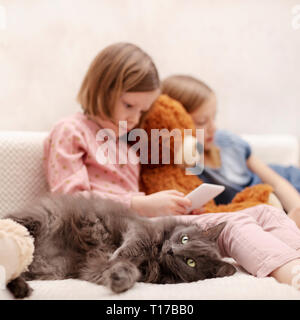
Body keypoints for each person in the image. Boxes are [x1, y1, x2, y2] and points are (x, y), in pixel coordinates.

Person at [43, 43, 300, 290]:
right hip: (115, 235)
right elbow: (69, 201)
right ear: (100, 89)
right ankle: (292, 275)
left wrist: (176, 202)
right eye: (129, 105)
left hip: (147, 224)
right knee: (233, 226)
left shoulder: (124, 139)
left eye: (141, 111)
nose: (134, 118)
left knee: (268, 213)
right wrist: (139, 204)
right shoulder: (70, 130)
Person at [161, 75, 300, 227]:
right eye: (201, 122)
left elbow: (277, 183)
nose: (213, 128)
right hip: (265, 207)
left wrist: (296, 212)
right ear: (177, 125)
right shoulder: (183, 171)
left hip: (289, 185)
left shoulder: (225, 141)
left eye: (213, 118)